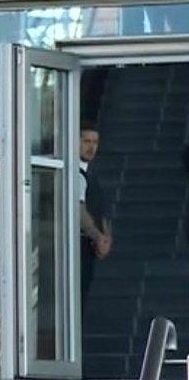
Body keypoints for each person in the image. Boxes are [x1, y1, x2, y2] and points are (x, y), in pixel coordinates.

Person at [79, 122, 112, 308]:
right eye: (86, 141)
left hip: (90, 247)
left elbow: (100, 207)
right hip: (80, 246)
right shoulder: (74, 174)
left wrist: (106, 236)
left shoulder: (91, 175)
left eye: (95, 142)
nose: (91, 147)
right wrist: (99, 237)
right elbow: (79, 209)